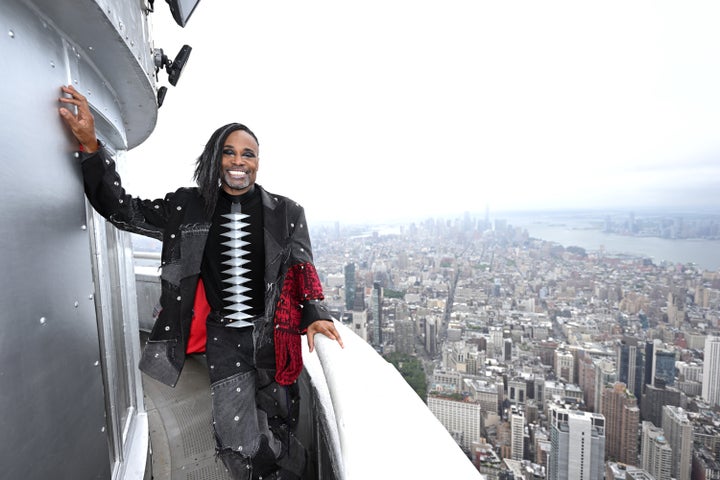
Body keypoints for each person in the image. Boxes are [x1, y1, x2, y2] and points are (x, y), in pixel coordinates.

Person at [59, 84, 343, 480]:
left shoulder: (287, 212)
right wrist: (92, 148)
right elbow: (123, 211)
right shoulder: (187, 206)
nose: (238, 161)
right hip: (225, 341)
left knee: (279, 427)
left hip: (273, 340)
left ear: (259, 162)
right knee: (235, 441)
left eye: (248, 154)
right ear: (215, 158)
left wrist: (314, 314)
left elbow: (301, 268)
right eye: (229, 152)